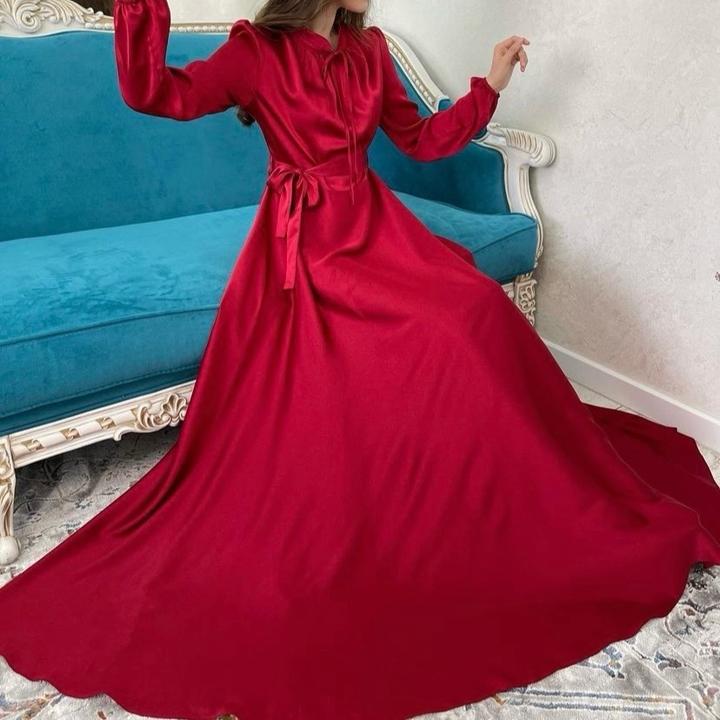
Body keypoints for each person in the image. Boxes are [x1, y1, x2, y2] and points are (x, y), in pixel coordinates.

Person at [0, 1, 718, 719]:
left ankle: (501, 476)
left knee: (471, 308)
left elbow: (422, 140)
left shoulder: (369, 51)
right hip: (306, 248)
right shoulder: (257, 53)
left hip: (376, 229)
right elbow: (158, 95)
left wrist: (490, 85)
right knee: (424, 334)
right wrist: (140, 12)